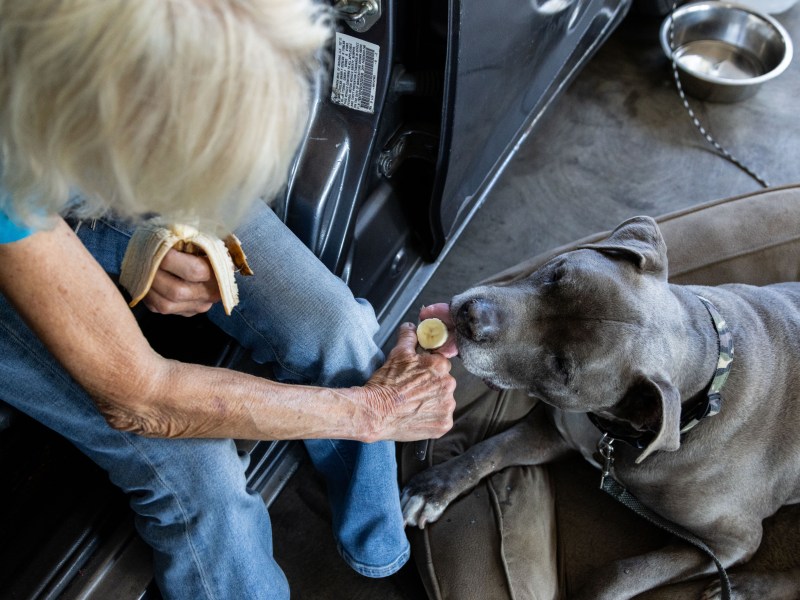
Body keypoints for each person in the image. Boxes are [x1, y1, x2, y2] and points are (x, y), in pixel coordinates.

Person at [0, 1, 456, 598]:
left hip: (70, 140)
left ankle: (382, 550)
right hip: (17, 206)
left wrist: (156, 236)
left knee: (335, 326)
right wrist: (370, 412)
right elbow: (144, 398)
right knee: (196, 470)